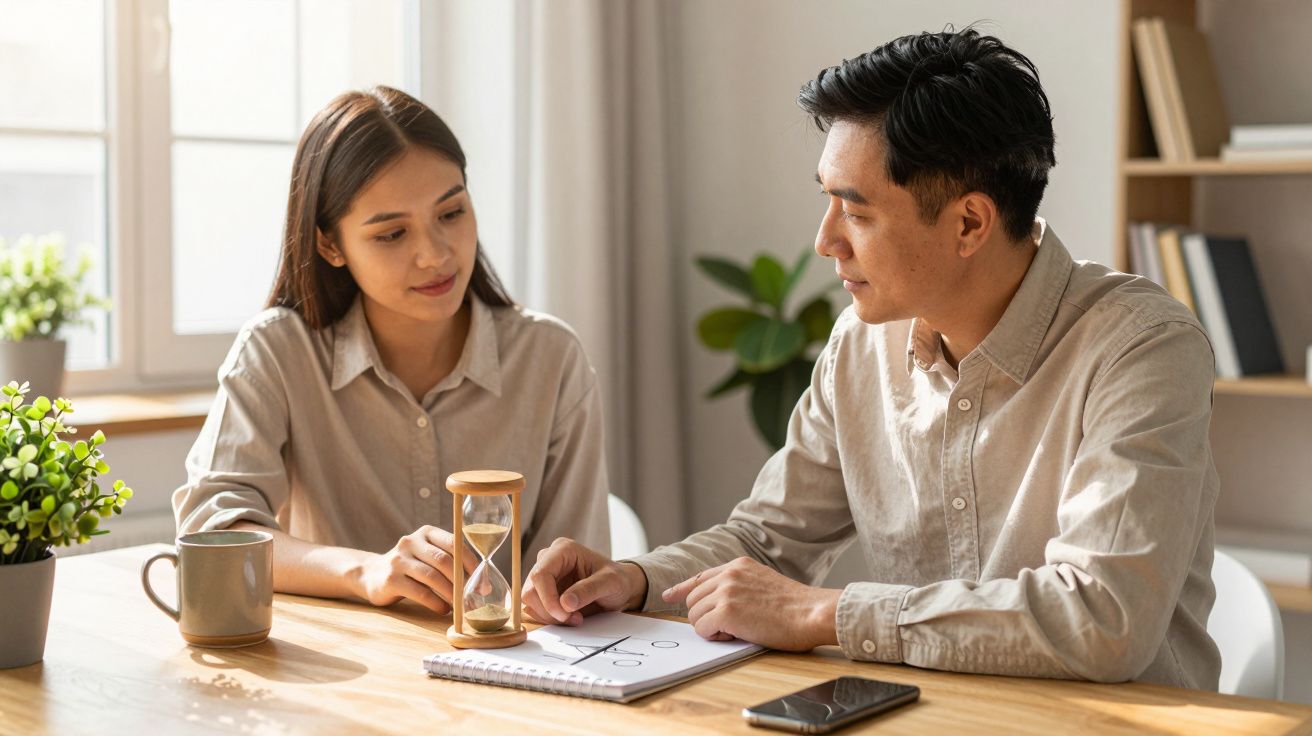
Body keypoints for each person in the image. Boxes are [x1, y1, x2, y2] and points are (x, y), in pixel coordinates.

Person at [523, 29, 1221, 689]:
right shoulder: (861, 345)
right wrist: (633, 580)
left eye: (855, 212)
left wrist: (826, 614)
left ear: (970, 223)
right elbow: (768, 542)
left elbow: (1104, 619)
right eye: (827, 202)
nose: (825, 241)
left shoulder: (1141, 347)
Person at [174, 86, 610, 615]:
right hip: (345, 677)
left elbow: (575, 571)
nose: (434, 255)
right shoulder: (278, 352)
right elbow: (215, 530)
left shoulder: (551, 358)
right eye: (392, 234)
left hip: (506, 673)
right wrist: (367, 571)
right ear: (330, 244)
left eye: (451, 213)